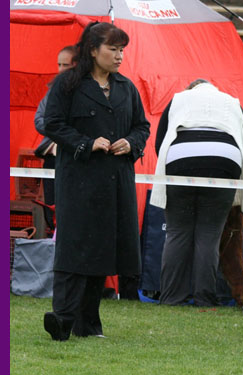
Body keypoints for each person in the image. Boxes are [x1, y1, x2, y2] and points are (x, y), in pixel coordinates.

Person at [42, 21, 150, 341]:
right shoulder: (67, 85)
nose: (119, 56)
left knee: (103, 249)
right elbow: (52, 125)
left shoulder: (126, 87)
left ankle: (88, 323)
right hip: (78, 180)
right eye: (112, 49)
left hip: (116, 181)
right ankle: (61, 319)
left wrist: (131, 143)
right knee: (74, 249)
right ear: (92, 50)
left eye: (122, 50)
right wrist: (86, 143)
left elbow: (141, 127)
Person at [150, 79, 243, 307]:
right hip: (224, 160)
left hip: (180, 159)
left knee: (178, 232)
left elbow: (160, 142)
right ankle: (204, 298)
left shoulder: (178, 99)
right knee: (209, 234)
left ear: (191, 90)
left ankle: (171, 297)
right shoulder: (232, 102)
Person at [34, 45, 77, 230]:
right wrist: (60, 132)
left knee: (73, 208)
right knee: (52, 206)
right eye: (59, 64)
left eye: (65, 65)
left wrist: (65, 136)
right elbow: (39, 120)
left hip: (76, 158)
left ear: (77, 65)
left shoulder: (87, 91)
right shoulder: (52, 91)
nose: (60, 69)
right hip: (52, 159)